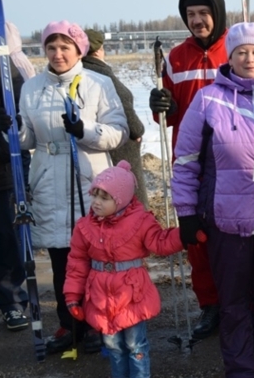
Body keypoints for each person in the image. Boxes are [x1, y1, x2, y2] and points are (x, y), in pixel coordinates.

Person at [171, 22, 254, 377]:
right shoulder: (208, 99)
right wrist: (187, 212)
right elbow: (187, 160)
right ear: (230, 57)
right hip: (226, 223)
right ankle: (241, 371)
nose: (249, 58)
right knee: (234, 307)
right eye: (241, 52)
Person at [18, 20, 128, 354]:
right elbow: (27, 139)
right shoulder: (31, 88)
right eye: (51, 47)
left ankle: (98, 322)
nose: (57, 53)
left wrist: (84, 129)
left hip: (88, 177)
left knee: (95, 257)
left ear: (78, 48)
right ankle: (70, 323)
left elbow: (117, 132)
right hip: (49, 179)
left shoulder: (98, 83)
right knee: (61, 260)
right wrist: (11, 130)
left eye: (64, 46)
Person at [148, 0, 227, 340]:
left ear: (218, 13)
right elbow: (167, 115)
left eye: (203, 13)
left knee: (238, 236)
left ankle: (241, 303)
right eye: (191, 15)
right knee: (197, 238)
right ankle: (210, 305)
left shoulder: (238, 48)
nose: (197, 20)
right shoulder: (177, 57)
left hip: (233, 160)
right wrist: (161, 106)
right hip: (191, 162)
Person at [64, 160, 182, 378]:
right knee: (113, 346)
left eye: (104, 197)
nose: (96, 202)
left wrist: (185, 234)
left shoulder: (140, 221)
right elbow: (77, 262)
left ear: (120, 200)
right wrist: (72, 295)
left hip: (131, 295)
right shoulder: (84, 226)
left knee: (135, 345)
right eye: (95, 195)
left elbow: (160, 242)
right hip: (100, 295)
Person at [82, 29, 148, 209]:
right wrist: (138, 130)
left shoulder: (79, 74)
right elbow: (127, 111)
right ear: (99, 50)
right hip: (119, 150)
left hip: (93, 152)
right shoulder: (103, 75)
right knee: (128, 204)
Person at [0, 59, 29, 332]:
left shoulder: (4, 67)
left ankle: (11, 302)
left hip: (0, 172)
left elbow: (22, 117)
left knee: (6, 241)